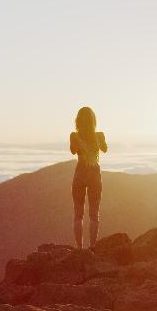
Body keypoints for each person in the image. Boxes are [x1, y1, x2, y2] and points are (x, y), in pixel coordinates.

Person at [69, 105, 107, 248]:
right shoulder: (100, 135)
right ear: (93, 120)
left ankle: (79, 248)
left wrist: (79, 143)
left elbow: (73, 151)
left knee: (78, 214)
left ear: (78, 121)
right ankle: (92, 247)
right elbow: (105, 149)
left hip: (80, 174)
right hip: (94, 175)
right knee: (94, 214)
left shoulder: (74, 135)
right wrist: (97, 141)